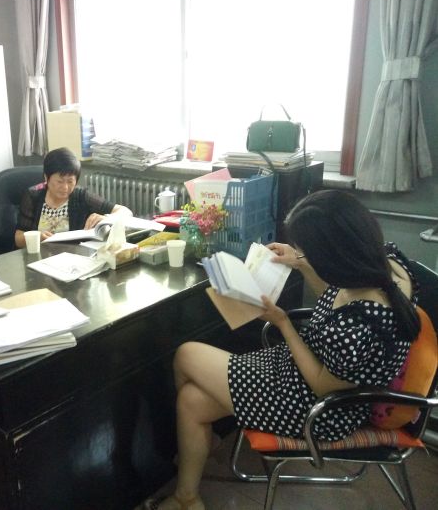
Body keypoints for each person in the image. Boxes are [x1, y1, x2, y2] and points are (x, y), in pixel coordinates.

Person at [148, 190, 420, 510]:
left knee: (186, 354)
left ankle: (198, 452)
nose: (303, 255)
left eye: (308, 252)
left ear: (335, 259)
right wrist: (299, 262)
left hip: (319, 409)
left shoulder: (357, 326)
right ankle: (188, 496)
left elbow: (322, 385)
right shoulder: (386, 262)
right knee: (191, 401)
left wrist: (283, 323)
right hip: (306, 371)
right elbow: (331, 295)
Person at [14, 147, 133, 248]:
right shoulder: (33, 196)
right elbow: (18, 238)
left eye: (70, 181)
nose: (65, 187)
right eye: (60, 181)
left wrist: (106, 218)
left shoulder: (81, 196)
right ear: (46, 178)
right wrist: (37, 237)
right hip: (39, 258)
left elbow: (126, 212)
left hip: (74, 258)